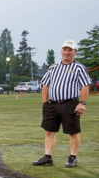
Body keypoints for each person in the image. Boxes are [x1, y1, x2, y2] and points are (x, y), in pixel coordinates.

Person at [33, 39, 92, 168]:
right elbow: (45, 85)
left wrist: (82, 103)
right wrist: (45, 103)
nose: (67, 52)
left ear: (75, 52)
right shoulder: (54, 67)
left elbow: (85, 86)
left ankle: (73, 157)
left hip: (70, 104)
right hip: (53, 104)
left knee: (73, 131)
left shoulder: (79, 68)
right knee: (49, 131)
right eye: (64, 50)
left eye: (70, 50)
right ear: (61, 51)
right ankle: (48, 157)